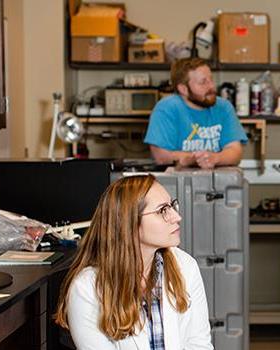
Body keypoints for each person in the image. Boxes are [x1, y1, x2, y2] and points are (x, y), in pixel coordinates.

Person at [55, 175, 213, 349]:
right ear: (129, 222)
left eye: (172, 206)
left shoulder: (185, 266)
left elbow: (199, 345)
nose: (177, 217)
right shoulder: (86, 288)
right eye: (162, 210)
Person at [144, 58, 248, 169]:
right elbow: (161, 156)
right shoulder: (165, 109)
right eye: (203, 82)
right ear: (183, 89)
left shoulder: (224, 107)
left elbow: (235, 151)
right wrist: (194, 159)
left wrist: (215, 158)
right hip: (176, 180)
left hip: (218, 179)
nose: (211, 86)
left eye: (211, 80)